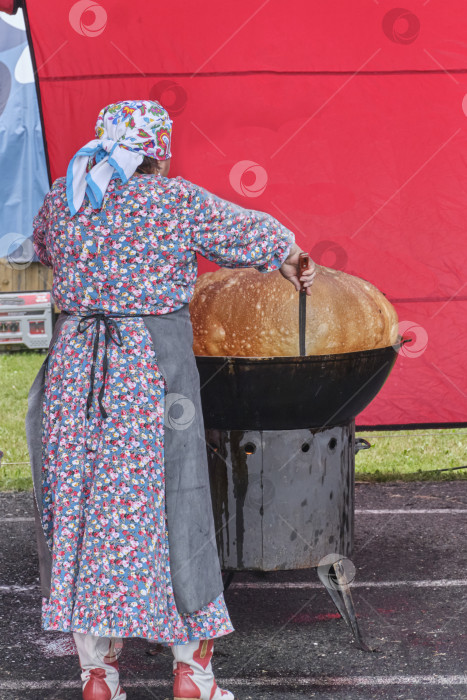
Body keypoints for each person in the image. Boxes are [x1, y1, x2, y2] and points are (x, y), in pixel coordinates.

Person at [26, 100, 316, 700]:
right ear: (159, 148)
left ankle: (98, 677)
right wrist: (293, 258)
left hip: (75, 373)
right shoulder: (176, 201)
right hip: (151, 375)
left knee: (81, 516)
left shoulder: (66, 198)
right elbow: (252, 233)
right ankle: (193, 674)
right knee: (175, 510)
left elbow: (45, 250)